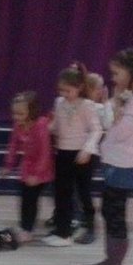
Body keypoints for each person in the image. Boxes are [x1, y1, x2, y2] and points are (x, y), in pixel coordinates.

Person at [79, 48, 133, 265]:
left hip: (125, 164)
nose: (113, 78)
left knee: (115, 215)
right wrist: (114, 102)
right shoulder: (130, 95)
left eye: (117, 73)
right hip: (115, 161)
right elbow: (108, 123)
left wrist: (116, 106)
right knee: (109, 212)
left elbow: (120, 131)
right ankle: (110, 261)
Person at [43, 62, 103, 247]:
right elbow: (57, 126)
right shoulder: (59, 102)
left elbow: (96, 130)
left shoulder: (87, 105)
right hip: (63, 153)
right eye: (61, 90)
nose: (64, 94)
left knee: (84, 192)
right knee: (62, 193)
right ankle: (63, 231)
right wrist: (45, 128)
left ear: (80, 87)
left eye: (68, 90)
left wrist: (87, 149)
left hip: (82, 155)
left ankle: (90, 227)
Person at [0, 91, 54, 243]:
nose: (16, 117)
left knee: (31, 199)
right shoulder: (18, 125)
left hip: (41, 169)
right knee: (25, 198)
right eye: (14, 113)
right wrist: (8, 165)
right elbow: (13, 146)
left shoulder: (40, 125)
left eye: (20, 114)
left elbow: (45, 152)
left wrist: (37, 174)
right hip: (27, 168)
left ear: (32, 111)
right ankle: (25, 227)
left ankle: (28, 229)